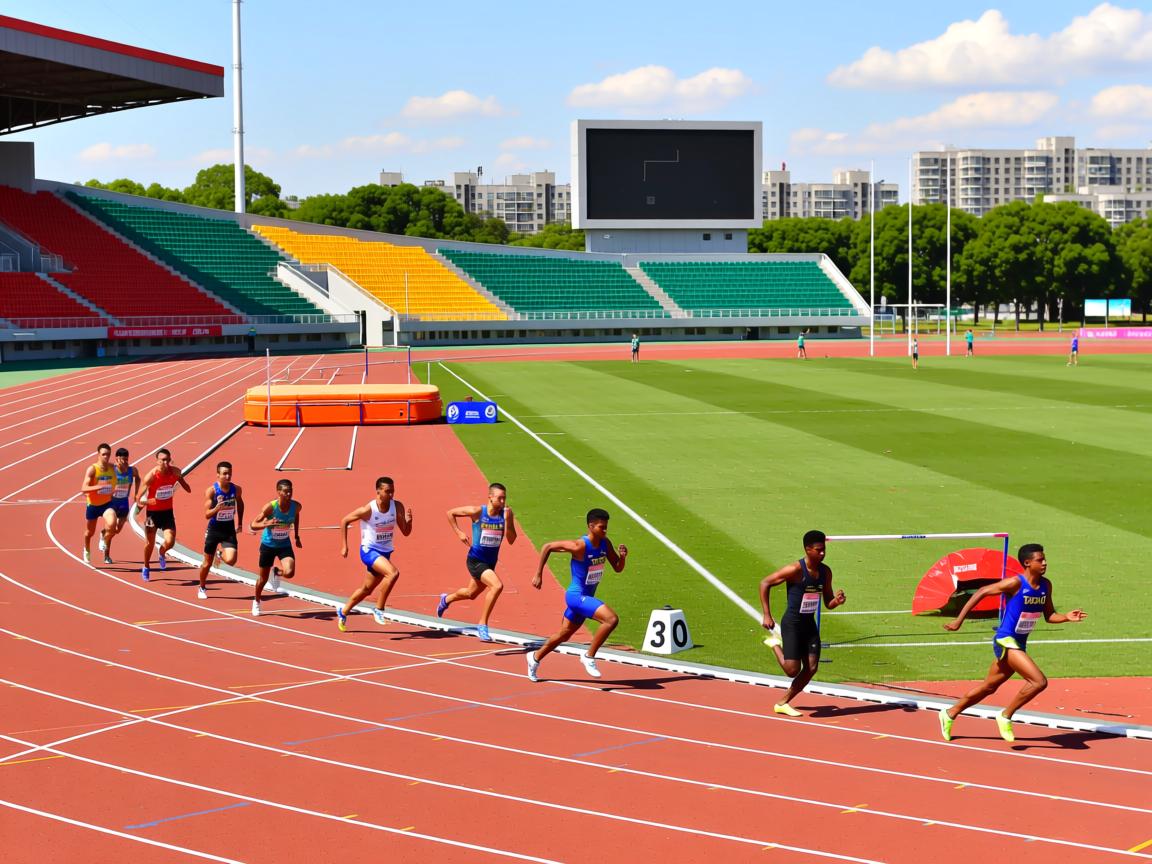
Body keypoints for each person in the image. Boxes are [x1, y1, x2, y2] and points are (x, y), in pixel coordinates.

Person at [938, 543, 1085, 743]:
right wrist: (958, 621)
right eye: (1040, 560)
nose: (1044, 563)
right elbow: (982, 591)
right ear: (1027, 563)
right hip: (1006, 640)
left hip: (1019, 643)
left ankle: (949, 713)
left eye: (1044, 559)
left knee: (989, 687)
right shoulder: (1015, 583)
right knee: (1038, 682)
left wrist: (1066, 617)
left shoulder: (1046, 585)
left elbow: (1049, 615)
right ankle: (1006, 715)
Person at [526, 508, 627, 682]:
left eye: (606, 527)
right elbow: (547, 546)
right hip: (576, 596)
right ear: (591, 526)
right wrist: (539, 574)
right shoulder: (579, 546)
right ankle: (589, 656)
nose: (605, 530)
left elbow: (617, 568)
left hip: (586, 597)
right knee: (611, 619)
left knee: (564, 634)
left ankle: (534, 658)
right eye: (601, 527)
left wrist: (623, 557)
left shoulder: (605, 543)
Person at [759, 530, 846, 716]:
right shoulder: (795, 570)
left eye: (824, 549)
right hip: (793, 624)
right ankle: (774, 644)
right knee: (792, 670)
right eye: (818, 550)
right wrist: (767, 615)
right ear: (807, 549)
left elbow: (828, 603)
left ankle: (782, 703)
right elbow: (765, 583)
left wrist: (837, 601)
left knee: (811, 668)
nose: (822, 553)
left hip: (809, 625)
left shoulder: (825, 572)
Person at [437, 483, 518, 641]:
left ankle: (446, 599)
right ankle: (483, 624)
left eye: (504, 498)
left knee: (471, 594)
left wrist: (508, 521)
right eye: (500, 498)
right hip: (475, 560)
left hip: (490, 562)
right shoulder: (477, 512)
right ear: (490, 497)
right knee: (497, 586)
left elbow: (511, 540)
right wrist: (459, 532)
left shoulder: (506, 514)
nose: (503, 502)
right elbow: (450, 513)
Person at [337, 476, 412, 631]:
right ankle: (379, 609)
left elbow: (406, 532)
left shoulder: (397, 506)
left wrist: (409, 521)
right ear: (378, 491)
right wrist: (344, 546)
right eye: (387, 491)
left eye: (393, 491)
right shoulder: (368, 510)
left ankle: (343, 611)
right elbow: (344, 521)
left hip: (385, 553)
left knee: (367, 589)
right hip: (369, 551)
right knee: (393, 573)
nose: (391, 495)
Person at [249, 479, 302, 616]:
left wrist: (296, 536)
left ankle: (277, 572)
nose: (289, 494)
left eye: (290, 491)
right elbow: (253, 525)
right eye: (286, 491)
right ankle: (256, 601)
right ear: (278, 492)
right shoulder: (270, 507)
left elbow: (296, 516)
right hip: (268, 545)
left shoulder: (296, 506)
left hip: (284, 544)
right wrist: (267, 524)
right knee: (263, 579)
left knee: (289, 572)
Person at [137, 448, 191, 582]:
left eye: (167, 460)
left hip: (167, 512)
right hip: (152, 514)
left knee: (170, 541)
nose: (165, 463)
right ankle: (146, 566)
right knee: (149, 543)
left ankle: (161, 552)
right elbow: (137, 499)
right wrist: (148, 501)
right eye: (162, 460)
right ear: (157, 461)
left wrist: (184, 485)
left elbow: (184, 484)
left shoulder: (175, 472)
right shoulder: (151, 477)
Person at [196, 461, 245, 601]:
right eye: (225, 474)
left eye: (230, 473)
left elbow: (240, 504)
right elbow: (206, 514)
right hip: (214, 530)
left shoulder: (236, 489)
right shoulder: (212, 491)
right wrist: (217, 508)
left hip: (228, 529)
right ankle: (202, 587)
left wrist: (240, 523)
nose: (228, 476)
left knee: (231, 560)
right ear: (218, 475)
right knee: (207, 563)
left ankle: (219, 554)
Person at [102, 447, 141, 565]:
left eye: (126, 459)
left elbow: (138, 479)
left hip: (124, 503)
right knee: (111, 528)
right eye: (122, 459)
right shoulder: (112, 470)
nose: (124, 462)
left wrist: (136, 493)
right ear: (117, 459)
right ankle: (106, 555)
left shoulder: (132, 470)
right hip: (112, 503)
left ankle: (104, 533)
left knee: (117, 530)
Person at [79, 443, 115, 564]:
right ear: (98, 455)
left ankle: (103, 536)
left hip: (107, 504)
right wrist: (99, 487)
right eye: (104, 454)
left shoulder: (112, 467)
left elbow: (125, 470)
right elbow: (84, 488)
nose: (106, 457)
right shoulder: (92, 469)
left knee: (112, 524)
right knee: (89, 533)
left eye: (108, 454)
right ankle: (87, 549)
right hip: (93, 505)